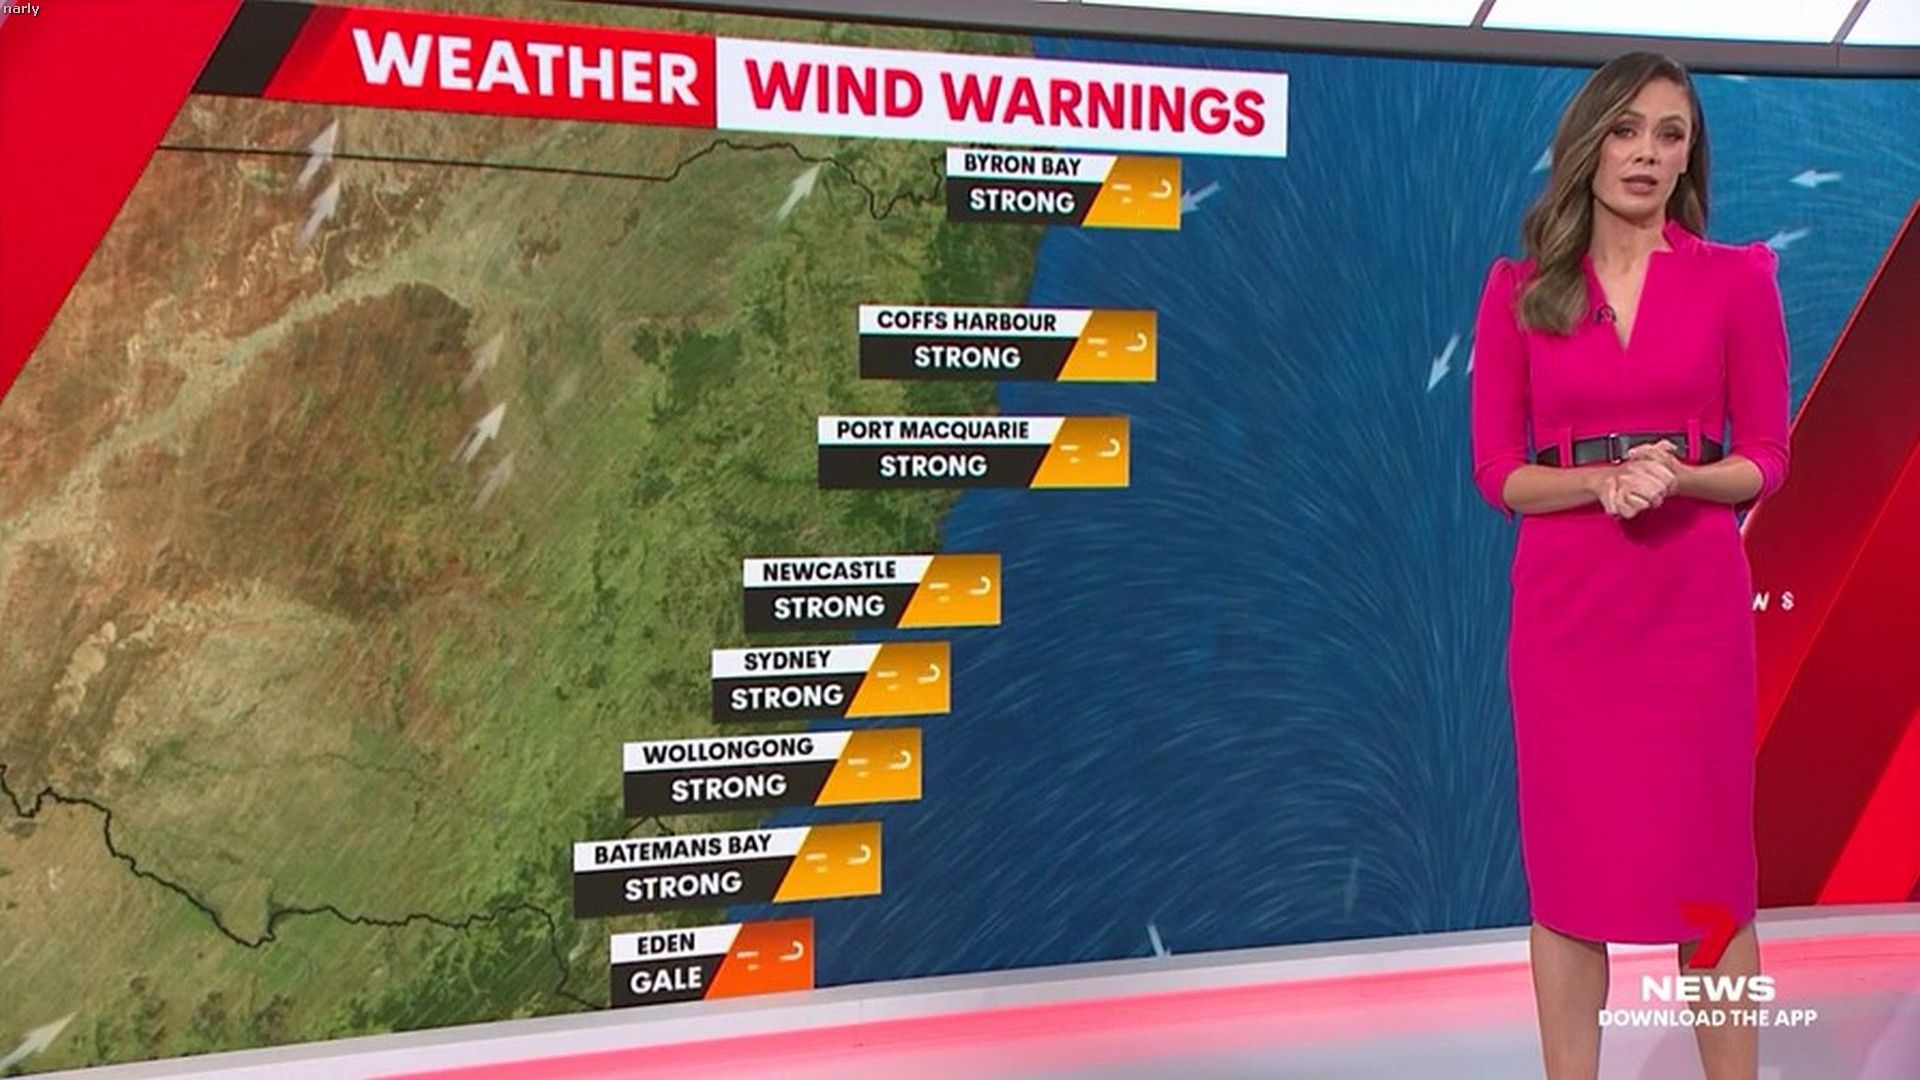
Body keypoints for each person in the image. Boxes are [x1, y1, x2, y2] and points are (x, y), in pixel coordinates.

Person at [1469, 52, 1791, 1080]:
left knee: (1712, 881)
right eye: (1626, 129)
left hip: (1690, 611)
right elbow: (1500, 473)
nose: (1646, 153)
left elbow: (1767, 456)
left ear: (1690, 157)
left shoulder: (1737, 279)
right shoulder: (1521, 293)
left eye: (1670, 134)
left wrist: (1682, 479)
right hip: (1568, 617)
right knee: (1570, 885)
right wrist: (1600, 483)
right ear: (1589, 144)